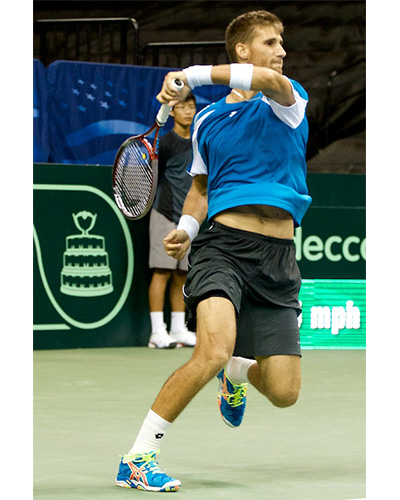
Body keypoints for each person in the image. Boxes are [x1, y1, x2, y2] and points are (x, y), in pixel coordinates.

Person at [116, 10, 312, 492]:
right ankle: (138, 457)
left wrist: (191, 75)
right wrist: (186, 228)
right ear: (242, 49)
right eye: (270, 42)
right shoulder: (206, 120)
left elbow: (268, 81)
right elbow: (201, 188)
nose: (282, 50)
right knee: (213, 348)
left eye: (281, 42)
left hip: (278, 259)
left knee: (285, 392)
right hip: (222, 248)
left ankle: (237, 373)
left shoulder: (288, 99)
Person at [147, 94, 197, 349]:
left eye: (191, 107)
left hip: (187, 218)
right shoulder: (165, 142)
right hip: (165, 214)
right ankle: (157, 332)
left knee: (182, 274)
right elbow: (152, 176)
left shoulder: (198, 142)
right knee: (162, 271)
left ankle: (178, 329)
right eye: (182, 107)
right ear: (173, 112)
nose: (188, 112)